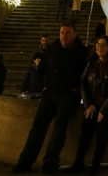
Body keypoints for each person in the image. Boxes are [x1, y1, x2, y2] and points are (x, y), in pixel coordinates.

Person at [12, 22, 88, 174]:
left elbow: (85, 74)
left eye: (67, 33)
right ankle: (25, 161)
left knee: (59, 128)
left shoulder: (82, 52)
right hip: (50, 93)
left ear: (75, 34)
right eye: (61, 32)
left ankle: (50, 163)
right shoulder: (52, 49)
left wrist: (77, 89)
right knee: (37, 128)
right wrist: (44, 86)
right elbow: (42, 69)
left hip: (68, 94)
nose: (63, 36)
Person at [68, 35, 108, 175]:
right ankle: (78, 162)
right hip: (93, 103)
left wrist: (104, 110)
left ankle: (95, 165)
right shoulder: (92, 63)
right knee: (86, 128)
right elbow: (83, 81)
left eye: (103, 45)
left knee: (103, 129)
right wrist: (88, 104)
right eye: (97, 45)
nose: (99, 48)